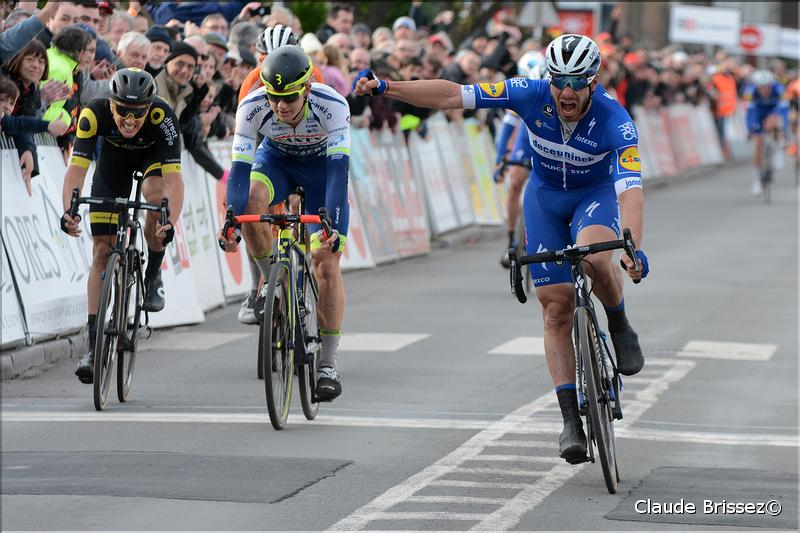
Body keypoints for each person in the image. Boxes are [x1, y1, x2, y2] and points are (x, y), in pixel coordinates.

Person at [353, 34, 649, 464]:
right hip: (544, 198)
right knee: (555, 308)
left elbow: (631, 190)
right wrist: (387, 87)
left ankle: (619, 324)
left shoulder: (615, 119)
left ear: (593, 82)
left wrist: (632, 248)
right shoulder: (528, 94)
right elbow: (453, 95)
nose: (566, 92)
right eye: (559, 81)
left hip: (594, 196)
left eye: (577, 83)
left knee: (594, 256)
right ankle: (570, 419)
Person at [219, 45, 351, 401]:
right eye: (274, 97)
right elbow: (239, 172)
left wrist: (334, 226)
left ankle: (327, 364)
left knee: (325, 263)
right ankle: (272, 283)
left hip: (321, 169)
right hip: (276, 160)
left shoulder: (333, 105)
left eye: (289, 97)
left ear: (306, 89)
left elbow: (338, 172)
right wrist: (231, 222)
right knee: (251, 202)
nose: (280, 106)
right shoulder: (252, 106)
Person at [59, 68, 184, 384]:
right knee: (101, 251)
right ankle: (93, 347)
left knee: (155, 196)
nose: (130, 120)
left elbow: (174, 182)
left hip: (152, 159)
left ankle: (152, 272)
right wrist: (69, 211)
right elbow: (76, 171)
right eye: (123, 111)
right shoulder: (94, 113)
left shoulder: (163, 118)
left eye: (138, 113)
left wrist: (170, 221)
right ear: (111, 104)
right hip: (112, 162)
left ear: (149, 108)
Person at [494, 56, 547, 268]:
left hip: (550, 143)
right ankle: (510, 241)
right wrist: (500, 159)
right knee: (516, 181)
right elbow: (508, 126)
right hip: (526, 139)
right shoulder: (524, 93)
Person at [744, 69, 789, 196]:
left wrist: (783, 126)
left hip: (774, 109)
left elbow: (784, 109)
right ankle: (757, 180)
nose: (764, 90)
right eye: (761, 87)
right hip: (758, 111)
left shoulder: (779, 89)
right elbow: (749, 112)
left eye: (767, 87)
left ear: (771, 84)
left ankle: (778, 149)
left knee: (775, 123)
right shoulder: (750, 91)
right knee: (758, 146)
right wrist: (751, 128)